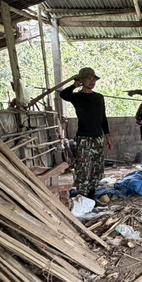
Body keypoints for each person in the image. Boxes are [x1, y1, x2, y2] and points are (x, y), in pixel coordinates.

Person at [60, 67, 114, 199]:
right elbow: (63, 94)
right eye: (88, 78)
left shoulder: (99, 97)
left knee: (97, 169)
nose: (92, 81)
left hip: (98, 138)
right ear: (81, 80)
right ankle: (82, 196)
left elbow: (103, 118)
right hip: (84, 139)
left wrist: (108, 137)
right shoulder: (77, 97)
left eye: (94, 79)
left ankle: (91, 195)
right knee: (83, 169)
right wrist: (74, 85)